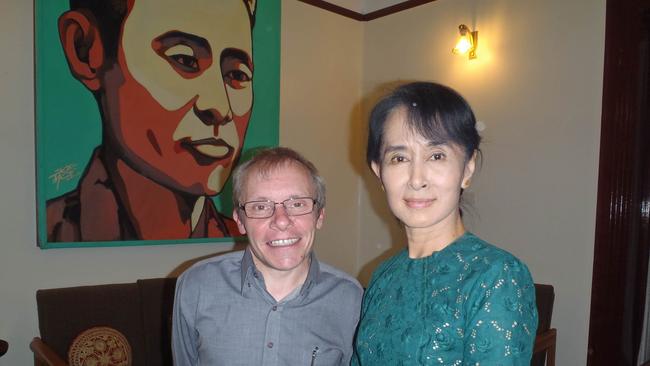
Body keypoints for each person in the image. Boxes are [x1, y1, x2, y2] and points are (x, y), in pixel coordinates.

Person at [353, 82, 538, 365]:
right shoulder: (381, 277)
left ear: (468, 167)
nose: (417, 179)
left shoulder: (496, 276)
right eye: (399, 158)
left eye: (436, 155)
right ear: (379, 173)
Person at [46, 0, 257, 241]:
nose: (220, 107)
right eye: (185, 59)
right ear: (84, 49)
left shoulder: (246, 246)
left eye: (237, 74)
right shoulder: (55, 230)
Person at [172, 147, 363, 365]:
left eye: (297, 204)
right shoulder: (196, 286)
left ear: (319, 216)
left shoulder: (351, 299)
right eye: (261, 206)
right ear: (240, 221)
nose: (281, 220)